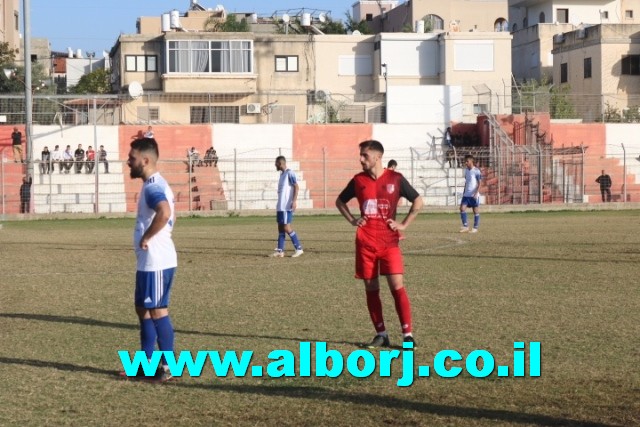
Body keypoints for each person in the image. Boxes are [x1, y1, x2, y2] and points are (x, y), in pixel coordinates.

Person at [335, 140, 423, 348]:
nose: (361, 159)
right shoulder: (358, 180)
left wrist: (403, 225)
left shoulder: (396, 179)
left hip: (389, 242)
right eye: (361, 155)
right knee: (371, 287)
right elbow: (340, 201)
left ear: (377, 156)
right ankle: (381, 333)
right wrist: (352, 220)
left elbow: (418, 201)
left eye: (364, 155)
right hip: (365, 242)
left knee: (397, 286)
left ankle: (408, 334)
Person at [123, 137, 177, 382]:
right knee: (143, 309)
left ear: (145, 160)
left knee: (156, 310)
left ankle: (168, 366)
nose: (128, 162)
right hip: (148, 262)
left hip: (156, 260)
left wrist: (147, 236)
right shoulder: (151, 184)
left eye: (132, 158)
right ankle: (146, 364)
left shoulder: (154, 185)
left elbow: (164, 212)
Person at [271, 156, 304, 258]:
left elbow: (296, 187)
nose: (275, 165)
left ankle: (299, 248)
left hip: (286, 206)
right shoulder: (282, 175)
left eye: (276, 163)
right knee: (280, 228)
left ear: (280, 163)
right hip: (280, 206)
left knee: (286, 227)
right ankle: (280, 251)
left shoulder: (290, 173)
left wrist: (294, 201)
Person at [459, 154, 482, 233]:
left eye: (467, 161)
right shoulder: (466, 170)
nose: (465, 162)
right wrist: (464, 191)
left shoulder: (476, 171)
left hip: (473, 195)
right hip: (466, 194)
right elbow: (467, 182)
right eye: (465, 161)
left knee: (475, 211)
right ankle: (465, 226)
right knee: (462, 208)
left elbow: (479, 183)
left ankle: (475, 228)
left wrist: (476, 193)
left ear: (471, 161)